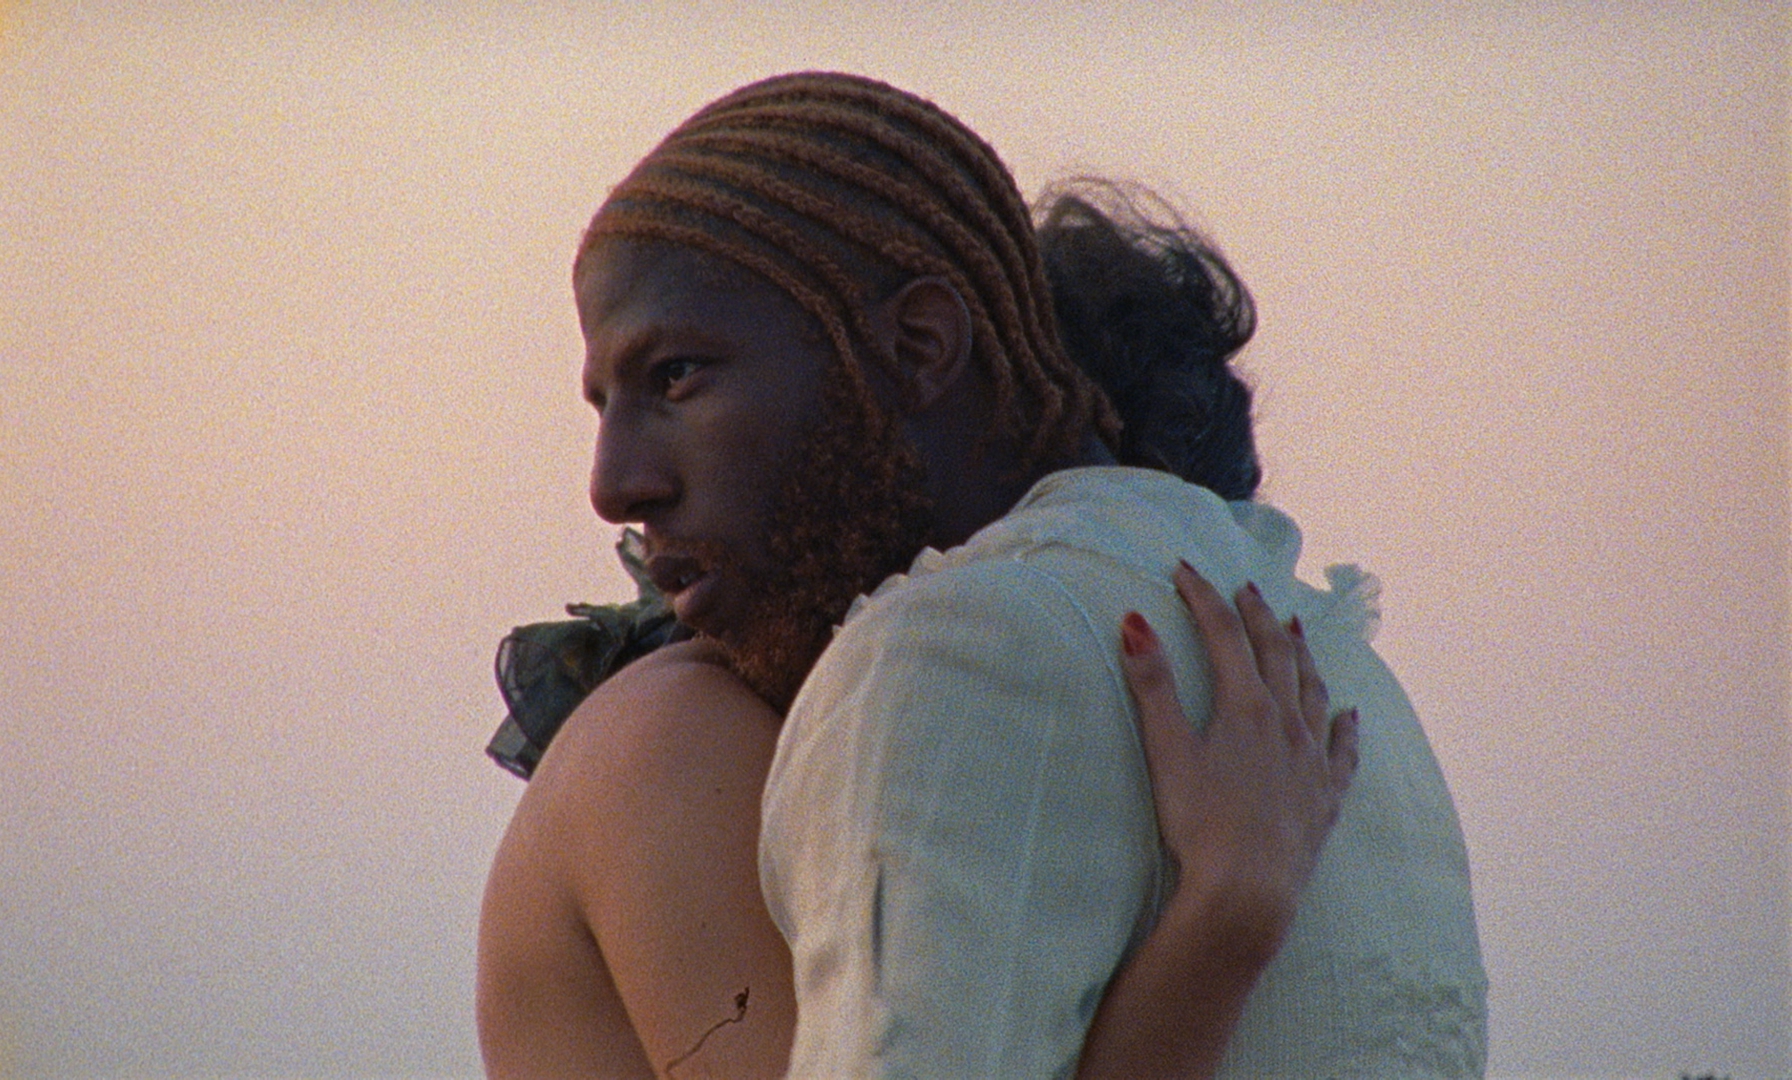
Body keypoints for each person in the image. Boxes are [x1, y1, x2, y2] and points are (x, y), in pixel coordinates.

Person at [483, 70, 1487, 1076]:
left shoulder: (940, 665)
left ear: (922, 347)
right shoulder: (1342, 684)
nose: (613, 487)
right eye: (611, 400)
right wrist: (1220, 922)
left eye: (674, 376)